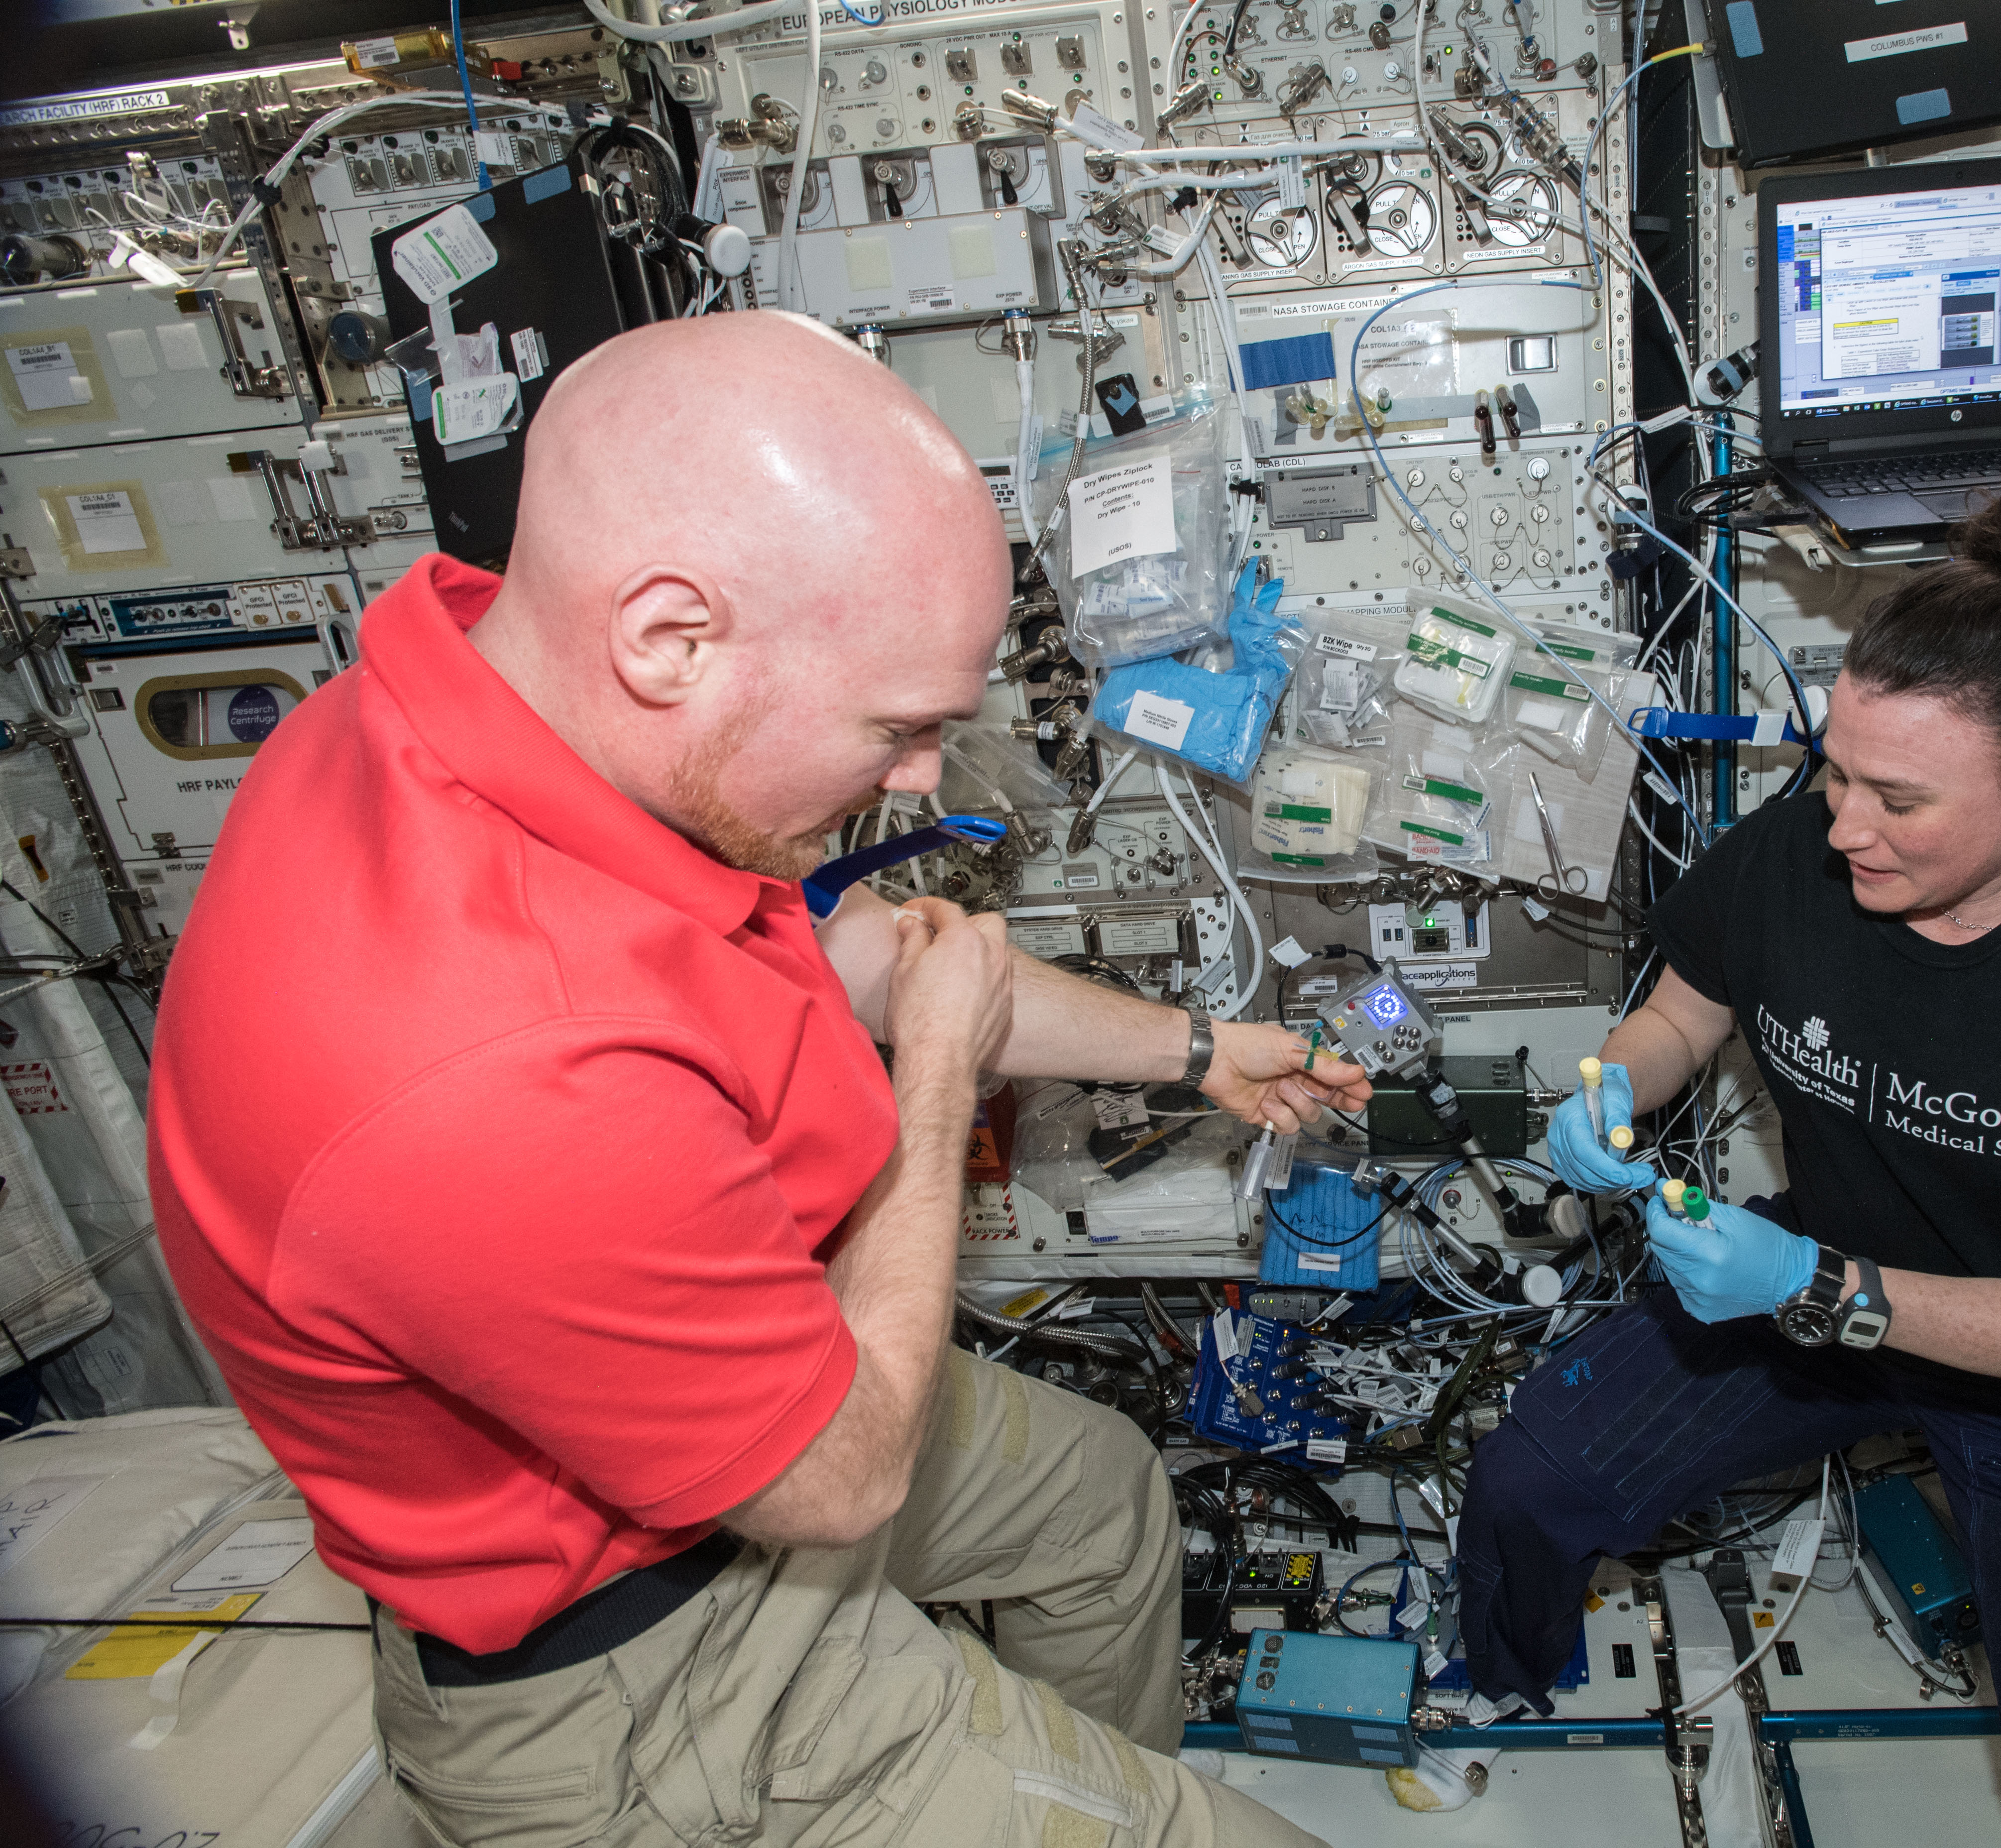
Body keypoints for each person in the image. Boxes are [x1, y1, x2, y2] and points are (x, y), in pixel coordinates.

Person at [148, 313, 1367, 1848]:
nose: (924, 777)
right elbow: (842, 1476)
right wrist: (934, 1092)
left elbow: (870, 953)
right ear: (670, 638)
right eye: (900, 728)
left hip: (735, 1440)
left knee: (1102, 1502)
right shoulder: (485, 1070)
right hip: (647, 1674)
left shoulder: (505, 698)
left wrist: (1200, 1052)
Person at [1461, 464, 2001, 1847]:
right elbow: (1684, 1008)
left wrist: (1818, 1284)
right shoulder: (1804, 852)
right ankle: (1501, 1684)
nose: (1846, 826)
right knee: (1531, 1483)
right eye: (1835, 772)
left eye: (1900, 800)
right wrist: (1613, 1083)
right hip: (1808, 1297)